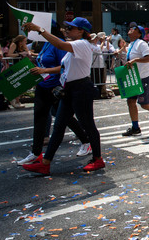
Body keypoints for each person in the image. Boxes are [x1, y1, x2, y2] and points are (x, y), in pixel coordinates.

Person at [22, 17, 105, 174]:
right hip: (70, 90)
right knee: (59, 126)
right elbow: (63, 67)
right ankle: (45, 163)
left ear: (81, 31)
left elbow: (59, 44)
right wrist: (44, 70)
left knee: (88, 125)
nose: (67, 30)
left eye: (71, 28)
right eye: (66, 28)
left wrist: (40, 30)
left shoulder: (81, 44)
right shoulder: (74, 47)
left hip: (81, 89)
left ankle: (98, 159)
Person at [6, 34, 33, 108]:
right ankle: (16, 101)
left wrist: (26, 48)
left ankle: (16, 100)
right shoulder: (14, 44)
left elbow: (28, 53)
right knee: (17, 84)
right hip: (15, 65)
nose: (26, 42)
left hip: (22, 65)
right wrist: (19, 54)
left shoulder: (23, 46)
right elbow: (9, 54)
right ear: (20, 41)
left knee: (23, 83)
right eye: (24, 41)